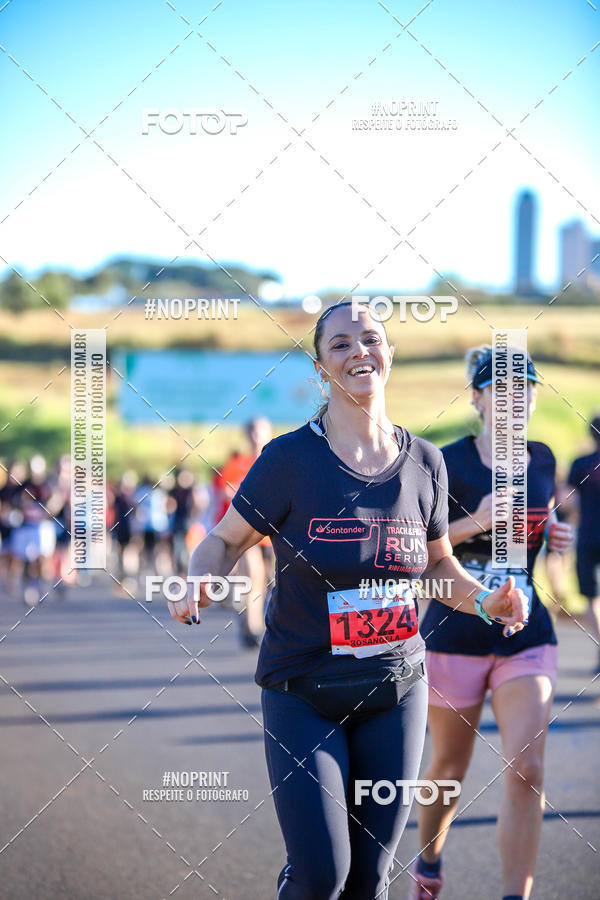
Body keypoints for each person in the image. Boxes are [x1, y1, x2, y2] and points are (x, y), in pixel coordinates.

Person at [169, 303, 529, 900]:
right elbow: (225, 540)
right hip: (303, 688)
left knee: (368, 879)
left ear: (388, 355)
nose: (359, 351)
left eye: (371, 339)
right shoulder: (289, 459)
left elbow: (438, 566)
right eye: (341, 344)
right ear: (320, 369)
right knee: (321, 876)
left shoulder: (426, 463)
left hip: (395, 690)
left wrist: (489, 602)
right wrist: (195, 579)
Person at [414, 345, 573, 900]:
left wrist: (553, 536)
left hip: (525, 635)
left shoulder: (546, 459)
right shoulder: (442, 462)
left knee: (527, 767)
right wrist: (472, 522)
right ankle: (429, 862)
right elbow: (413, 551)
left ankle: (514, 895)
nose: (515, 399)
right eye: (501, 389)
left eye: (525, 388)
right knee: (448, 767)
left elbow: (534, 526)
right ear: (478, 399)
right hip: (454, 634)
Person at [212, 417, 273, 647]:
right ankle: (253, 626)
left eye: (261, 431)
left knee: (268, 581)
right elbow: (224, 495)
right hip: (249, 531)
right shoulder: (236, 465)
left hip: (274, 535)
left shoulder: (277, 460)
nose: (257, 436)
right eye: (253, 431)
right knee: (253, 577)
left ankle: (254, 623)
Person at [566, 414, 600, 672]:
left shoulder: (580, 463)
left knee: (592, 597)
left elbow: (567, 502)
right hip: (588, 535)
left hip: (588, 536)